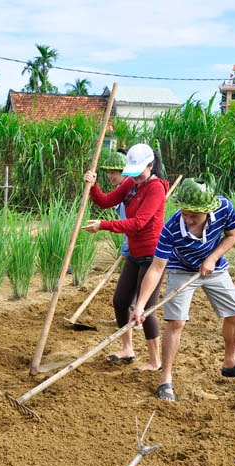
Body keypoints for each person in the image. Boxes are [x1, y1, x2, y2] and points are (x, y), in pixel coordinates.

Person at [131, 176, 235, 403]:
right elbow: (156, 268)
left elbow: (233, 235)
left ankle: (230, 361)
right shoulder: (170, 229)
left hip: (215, 267)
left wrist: (212, 258)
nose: (189, 219)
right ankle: (166, 378)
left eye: (195, 215)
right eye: (185, 213)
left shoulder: (223, 207)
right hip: (181, 270)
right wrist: (140, 306)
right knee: (176, 322)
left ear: (208, 210)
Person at [82, 143, 168, 371]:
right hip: (135, 253)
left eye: (139, 172)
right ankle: (128, 349)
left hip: (152, 255)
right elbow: (104, 201)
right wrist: (92, 185)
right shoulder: (130, 183)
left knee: (146, 309)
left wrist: (104, 225)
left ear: (150, 166)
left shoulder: (156, 189)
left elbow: (139, 223)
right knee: (120, 302)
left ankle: (154, 360)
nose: (135, 177)